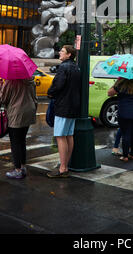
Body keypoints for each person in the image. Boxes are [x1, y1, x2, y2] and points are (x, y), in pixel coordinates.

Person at [46, 45, 81, 178]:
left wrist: (50, 93)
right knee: (68, 135)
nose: (60, 53)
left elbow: (58, 85)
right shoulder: (76, 68)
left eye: (62, 51)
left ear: (69, 55)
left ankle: (63, 167)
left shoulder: (64, 67)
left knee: (60, 136)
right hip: (73, 106)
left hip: (63, 106)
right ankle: (65, 164)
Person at [0, 77, 37, 179]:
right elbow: (34, 97)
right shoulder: (31, 80)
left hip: (16, 113)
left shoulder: (11, 81)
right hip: (29, 112)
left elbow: (3, 99)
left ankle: (18, 170)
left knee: (15, 142)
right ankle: (23, 166)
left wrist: (0, 87)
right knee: (22, 140)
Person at [108, 78, 133, 162]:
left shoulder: (121, 85)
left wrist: (116, 83)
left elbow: (109, 93)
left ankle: (125, 156)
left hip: (124, 111)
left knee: (126, 133)